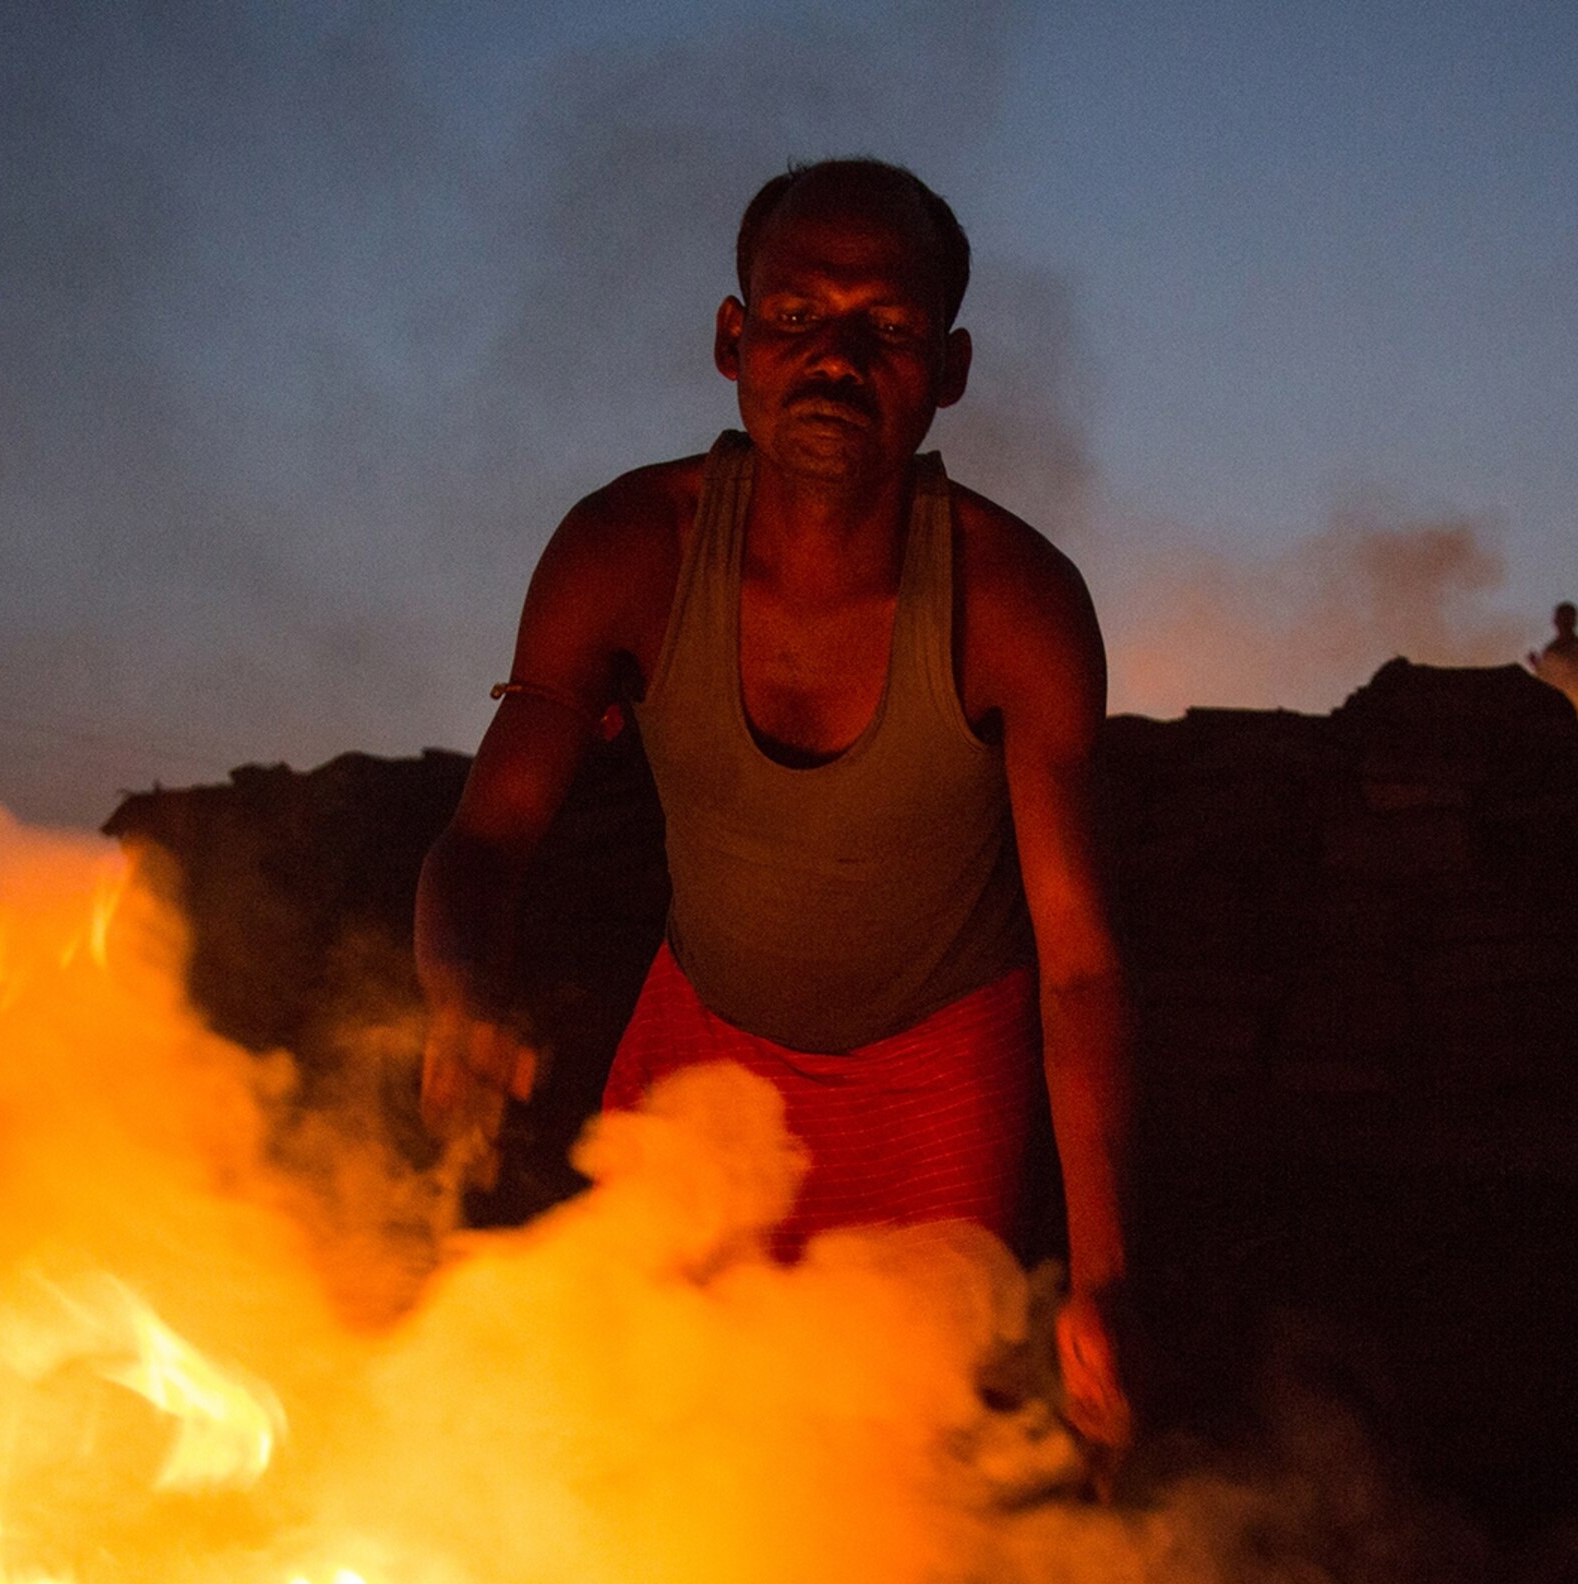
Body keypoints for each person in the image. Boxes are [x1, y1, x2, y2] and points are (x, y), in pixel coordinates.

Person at [412, 157, 1132, 1455]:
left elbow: (1078, 967)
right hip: (702, 1063)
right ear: (733, 341)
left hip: (938, 1078)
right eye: (798, 317)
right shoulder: (627, 552)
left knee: (903, 1489)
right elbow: (489, 836)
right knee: (632, 1446)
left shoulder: (1016, 607)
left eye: (890, 328)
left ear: (951, 369)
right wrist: (464, 994)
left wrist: (1101, 1276)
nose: (839, 361)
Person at [1529, 601, 1578, 716]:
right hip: (1553, 709)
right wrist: (1538, 666)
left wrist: (1540, 667)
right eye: (1560, 619)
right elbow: (1546, 681)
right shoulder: (1551, 649)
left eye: (1565, 619)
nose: (1561, 623)